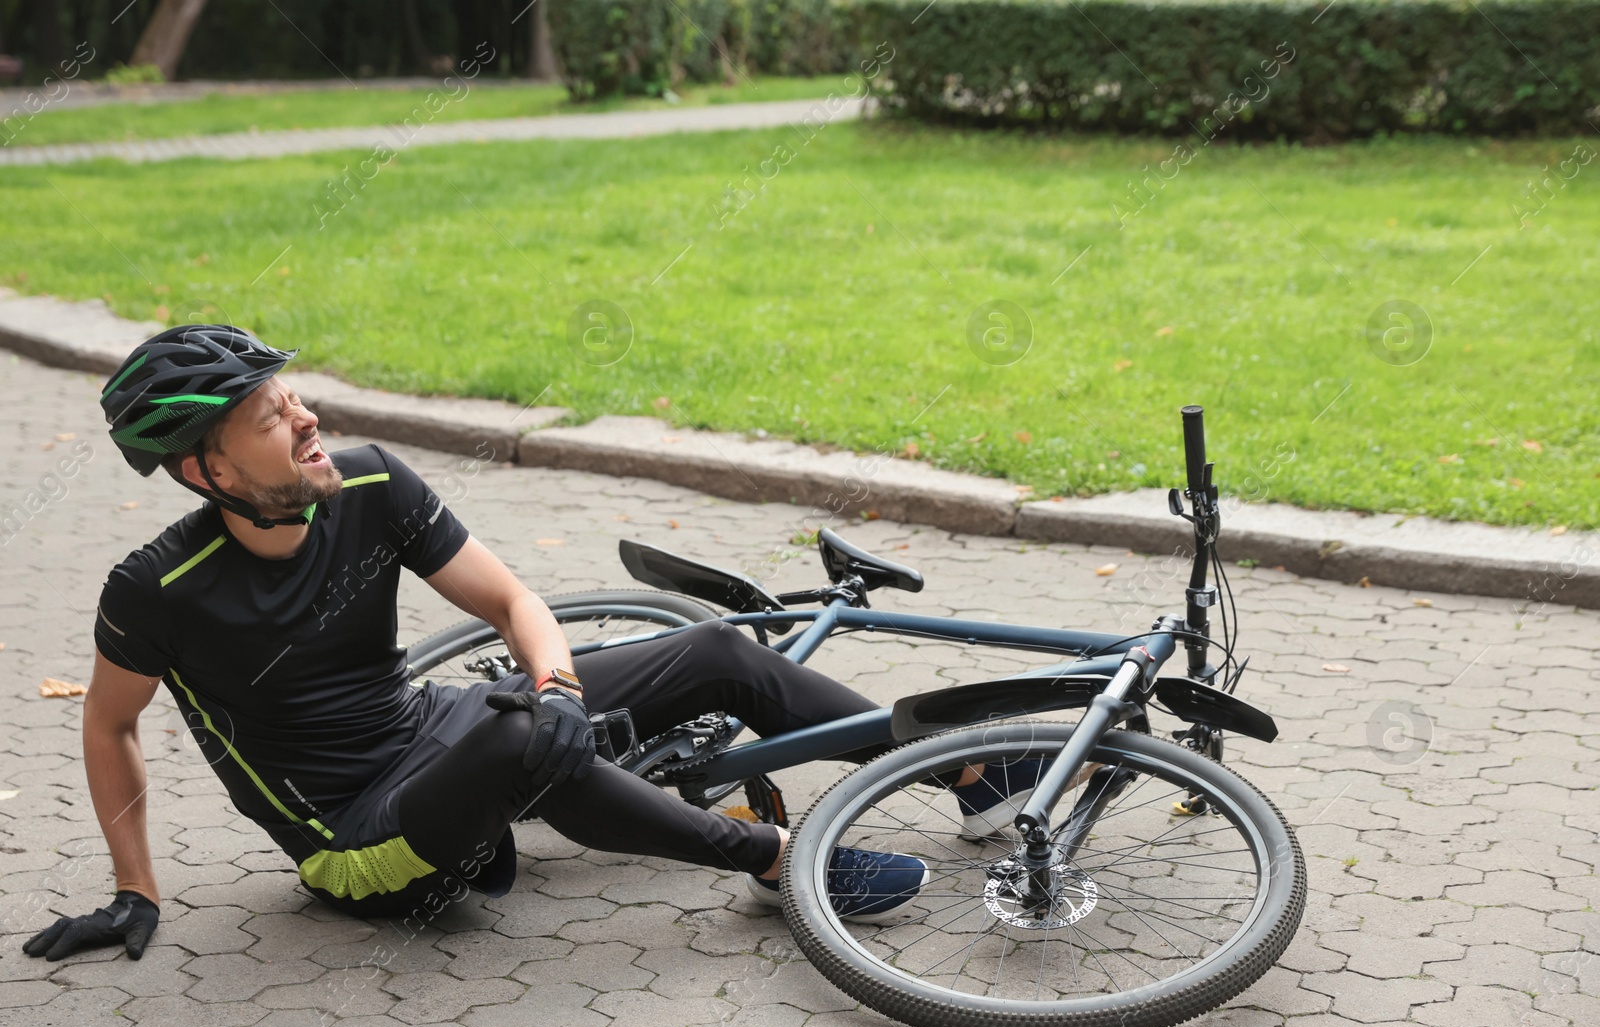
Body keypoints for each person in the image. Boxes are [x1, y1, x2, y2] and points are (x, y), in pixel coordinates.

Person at [24, 325, 1050, 964]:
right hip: (358, 837)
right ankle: (781, 862)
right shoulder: (156, 587)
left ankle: (967, 772)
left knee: (716, 652)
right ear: (206, 470)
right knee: (524, 736)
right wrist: (134, 888)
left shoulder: (372, 482)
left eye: (292, 395)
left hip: (439, 726)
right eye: (267, 416)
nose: (306, 419)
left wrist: (557, 682)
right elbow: (111, 726)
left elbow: (511, 597)